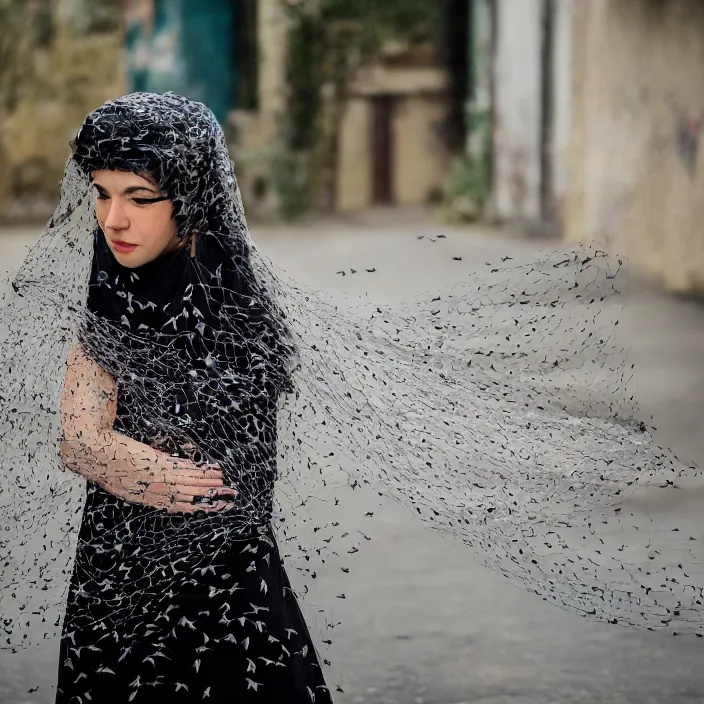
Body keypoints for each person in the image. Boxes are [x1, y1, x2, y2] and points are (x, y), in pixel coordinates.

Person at [54, 94, 331, 702]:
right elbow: (77, 436)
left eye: (139, 198)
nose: (112, 219)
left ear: (193, 195)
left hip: (219, 579)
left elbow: (224, 484)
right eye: (101, 192)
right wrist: (123, 457)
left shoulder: (236, 304)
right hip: (116, 570)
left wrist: (119, 453)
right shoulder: (113, 277)